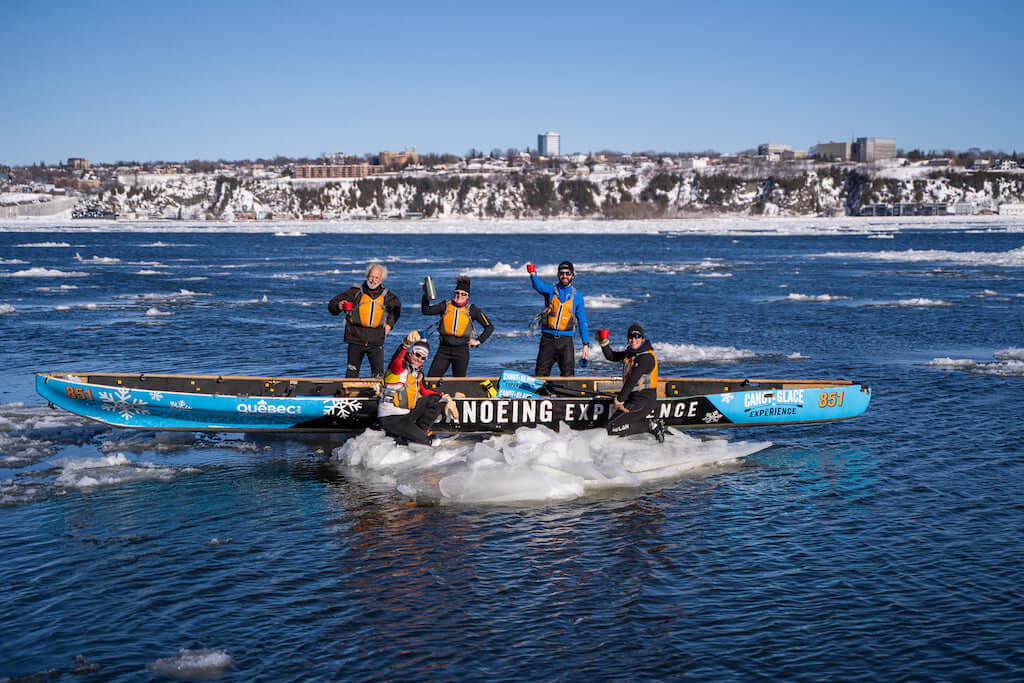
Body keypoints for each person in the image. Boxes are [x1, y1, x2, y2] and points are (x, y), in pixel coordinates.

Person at [378, 330, 454, 445]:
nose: (419, 359)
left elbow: (425, 391)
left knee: (436, 399)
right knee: (424, 442)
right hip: (391, 418)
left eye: (423, 358)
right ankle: (407, 439)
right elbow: (396, 359)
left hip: (406, 415)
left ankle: (420, 431)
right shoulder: (399, 367)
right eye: (417, 354)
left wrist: (446, 397)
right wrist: (405, 344)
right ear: (411, 353)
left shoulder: (418, 373)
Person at [327, 263, 401, 378]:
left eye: (377, 277)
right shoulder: (355, 291)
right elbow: (332, 304)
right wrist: (339, 306)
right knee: (351, 374)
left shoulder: (387, 295)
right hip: (355, 338)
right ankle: (348, 394)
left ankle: (378, 395)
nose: (373, 280)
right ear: (367, 276)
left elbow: (397, 309)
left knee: (378, 376)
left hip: (376, 341)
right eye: (371, 276)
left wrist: (389, 325)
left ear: (381, 279)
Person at [598, 323, 665, 443]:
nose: (634, 339)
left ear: (642, 339)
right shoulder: (631, 354)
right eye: (631, 337)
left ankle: (651, 425)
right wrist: (603, 342)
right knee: (610, 425)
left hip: (644, 401)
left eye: (637, 336)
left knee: (610, 428)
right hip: (632, 400)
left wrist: (619, 400)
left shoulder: (646, 358)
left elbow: (632, 381)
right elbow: (611, 356)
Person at [421, 276, 494, 377]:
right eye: (457, 293)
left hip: (462, 351)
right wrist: (426, 295)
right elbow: (426, 311)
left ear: (467, 296)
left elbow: (489, 327)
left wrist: (478, 341)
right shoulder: (445, 305)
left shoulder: (472, 310)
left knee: (458, 382)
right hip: (443, 350)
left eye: (463, 294)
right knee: (431, 379)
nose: (460, 296)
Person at [527, 260, 590, 376]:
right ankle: (541, 394)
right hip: (548, 339)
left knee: (568, 375)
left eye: (567, 273)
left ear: (572, 275)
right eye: (561, 273)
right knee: (540, 374)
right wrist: (532, 273)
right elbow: (538, 286)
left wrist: (585, 344)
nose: (564, 276)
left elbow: (582, 321)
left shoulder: (578, 296)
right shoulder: (550, 290)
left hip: (566, 341)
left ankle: (564, 394)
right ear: (558, 275)